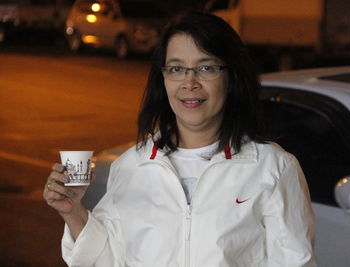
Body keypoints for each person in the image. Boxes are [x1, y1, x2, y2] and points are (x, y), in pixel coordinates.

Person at [43, 12, 316, 267]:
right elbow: (110, 259)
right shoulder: (132, 167)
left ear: (231, 77)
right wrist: (73, 212)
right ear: (162, 78)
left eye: (206, 68)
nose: (189, 82)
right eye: (176, 69)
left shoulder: (273, 168)